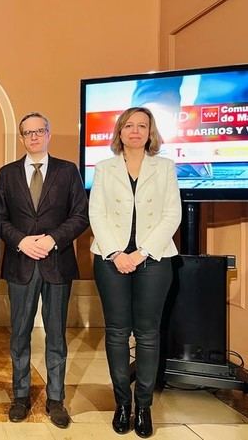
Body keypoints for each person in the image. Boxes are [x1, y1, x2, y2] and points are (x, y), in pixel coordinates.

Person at [89, 107, 181, 438]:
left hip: (154, 259)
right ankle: (121, 405)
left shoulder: (166, 167)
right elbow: (95, 213)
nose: (136, 130)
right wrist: (116, 253)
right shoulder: (103, 168)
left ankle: (143, 406)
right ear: (120, 132)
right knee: (116, 331)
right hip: (110, 258)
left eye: (142, 125)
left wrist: (141, 253)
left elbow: (173, 215)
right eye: (129, 125)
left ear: (150, 132)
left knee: (147, 334)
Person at [0, 112, 89, 429]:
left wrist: (51, 240)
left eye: (39, 131)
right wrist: (22, 241)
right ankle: (20, 397)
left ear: (48, 134)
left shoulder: (67, 171)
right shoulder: (6, 174)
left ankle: (56, 399)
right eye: (27, 133)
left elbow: (80, 215)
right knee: (19, 335)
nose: (34, 137)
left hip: (57, 264)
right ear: (21, 138)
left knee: (56, 337)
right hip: (20, 263)